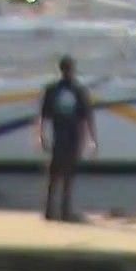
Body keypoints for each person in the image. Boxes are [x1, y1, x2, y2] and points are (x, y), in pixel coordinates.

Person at [37, 55, 96, 221]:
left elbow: (43, 116)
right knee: (64, 174)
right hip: (69, 136)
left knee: (57, 175)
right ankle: (61, 211)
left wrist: (41, 135)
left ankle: (54, 210)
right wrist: (91, 139)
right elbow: (87, 118)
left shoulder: (55, 89)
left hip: (63, 135)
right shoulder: (76, 90)